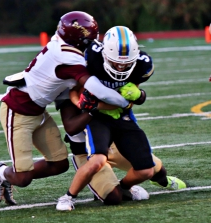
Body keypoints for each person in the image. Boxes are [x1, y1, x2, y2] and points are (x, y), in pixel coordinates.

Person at [0, 12, 132, 205]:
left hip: (38, 111)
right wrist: (123, 102)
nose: (94, 41)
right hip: (17, 111)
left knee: (59, 164)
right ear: (79, 39)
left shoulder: (61, 43)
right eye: (90, 37)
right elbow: (98, 90)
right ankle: (2, 172)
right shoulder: (68, 58)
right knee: (23, 178)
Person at [56, 26, 186, 211]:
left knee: (150, 168)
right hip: (92, 132)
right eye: (116, 62)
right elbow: (73, 112)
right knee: (106, 181)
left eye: (126, 63)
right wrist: (85, 106)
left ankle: (133, 186)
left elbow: (129, 102)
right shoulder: (90, 60)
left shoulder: (142, 64)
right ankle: (68, 197)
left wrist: (138, 95)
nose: (121, 67)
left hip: (118, 120)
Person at [55, 91, 186, 208]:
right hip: (87, 153)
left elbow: (131, 100)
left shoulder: (106, 84)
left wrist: (136, 95)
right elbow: (71, 128)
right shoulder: (70, 94)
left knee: (153, 168)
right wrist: (92, 108)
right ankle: (81, 193)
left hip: (114, 145)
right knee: (113, 197)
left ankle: (152, 182)